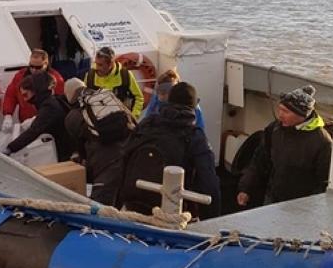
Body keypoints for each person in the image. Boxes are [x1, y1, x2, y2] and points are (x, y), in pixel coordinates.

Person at [117, 82, 221, 219]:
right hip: (170, 213)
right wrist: (212, 220)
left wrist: (116, 203)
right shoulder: (194, 136)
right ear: (194, 107)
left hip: (133, 203)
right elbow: (209, 183)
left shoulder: (147, 124)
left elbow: (124, 159)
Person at [237, 85, 332, 207]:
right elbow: (259, 160)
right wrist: (246, 188)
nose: (280, 115)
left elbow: (324, 183)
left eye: (286, 111)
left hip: (301, 206)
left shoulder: (322, 142)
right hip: (272, 197)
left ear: (302, 114)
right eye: (280, 109)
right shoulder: (274, 128)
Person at [63, 78, 135, 205]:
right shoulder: (108, 98)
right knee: (124, 202)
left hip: (106, 160)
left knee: (100, 207)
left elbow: (80, 145)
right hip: (130, 153)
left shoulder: (73, 116)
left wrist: (83, 160)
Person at [5, 71, 73, 161]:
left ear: (36, 90)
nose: (25, 100)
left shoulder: (49, 107)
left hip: (64, 151)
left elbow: (33, 131)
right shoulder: (54, 100)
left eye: (26, 95)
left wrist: (10, 148)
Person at [2, 48, 65, 130]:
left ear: (46, 64)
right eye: (31, 66)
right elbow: (11, 95)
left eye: (38, 67)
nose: (34, 70)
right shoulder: (20, 76)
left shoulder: (56, 80)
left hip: (47, 124)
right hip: (24, 122)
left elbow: (58, 104)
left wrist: (37, 118)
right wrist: (8, 114)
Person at [84, 46, 144, 120]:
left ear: (111, 64)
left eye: (100, 65)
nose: (97, 67)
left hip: (120, 121)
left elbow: (139, 98)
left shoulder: (125, 75)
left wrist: (133, 117)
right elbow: (84, 99)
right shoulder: (90, 76)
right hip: (98, 123)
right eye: (96, 63)